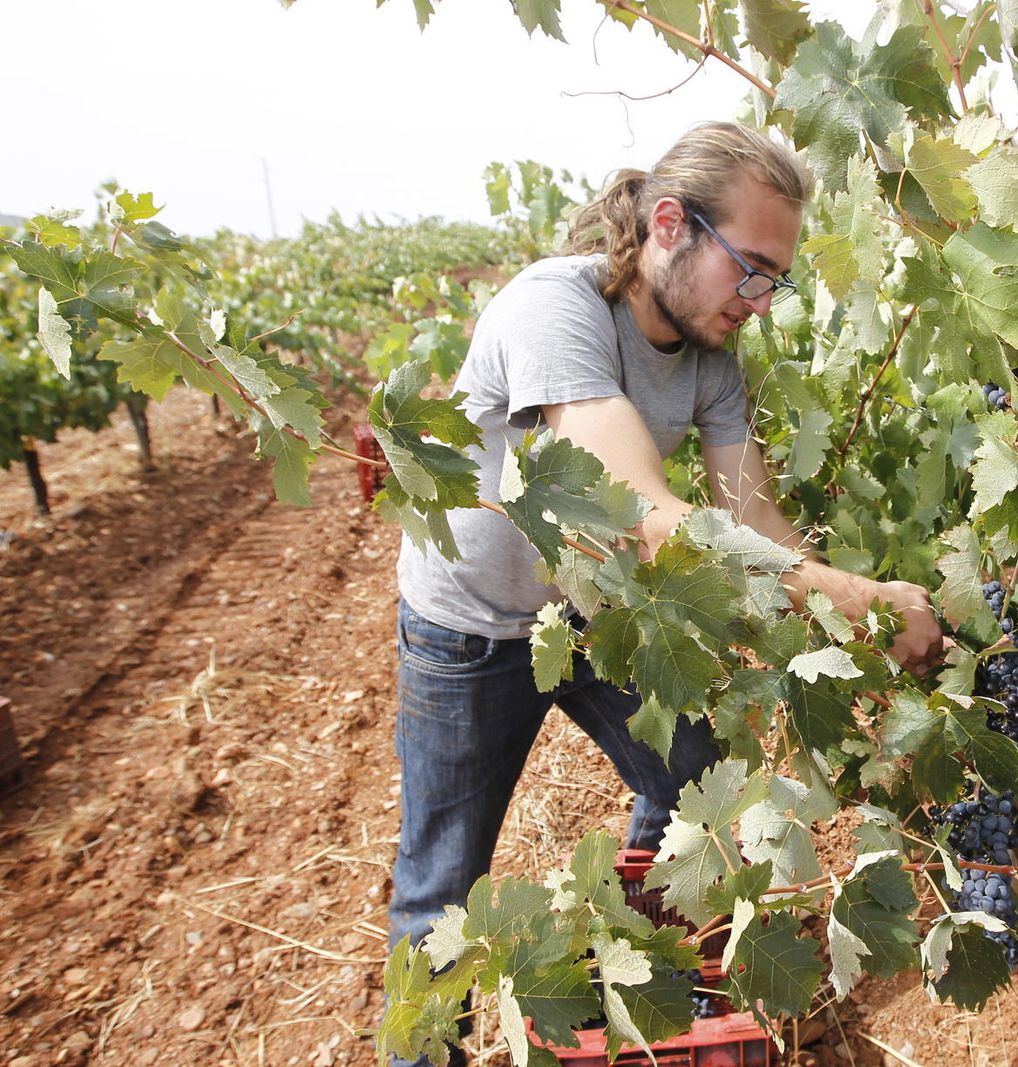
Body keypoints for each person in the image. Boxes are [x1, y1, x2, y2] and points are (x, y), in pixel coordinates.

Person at [386, 121, 943, 1063]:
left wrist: (838, 620)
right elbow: (636, 511)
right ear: (671, 226)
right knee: (443, 886)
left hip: (590, 618)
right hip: (471, 627)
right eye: (752, 268)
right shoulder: (551, 309)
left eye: (777, 278)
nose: (762, 302)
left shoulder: (713, 362)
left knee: (696, 782)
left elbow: (756, 523)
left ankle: (645, 961)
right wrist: (861, 599)